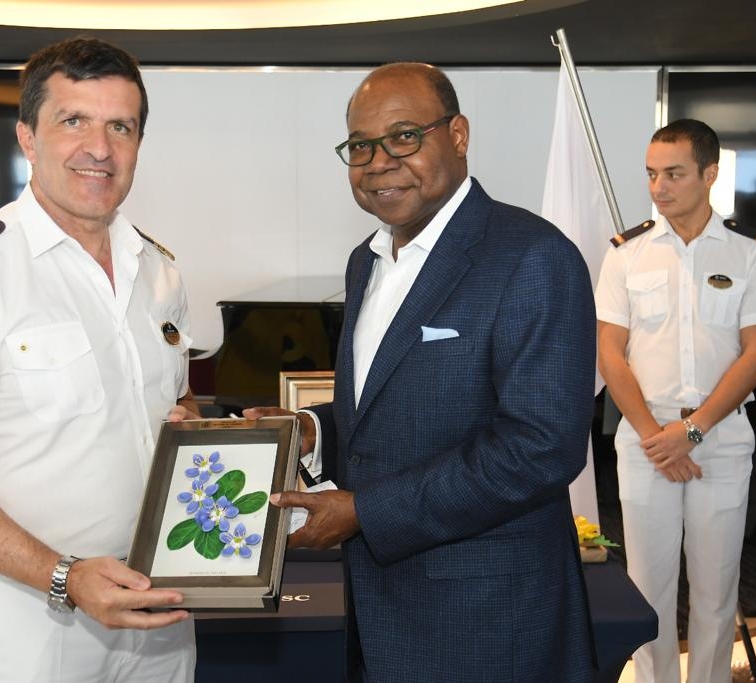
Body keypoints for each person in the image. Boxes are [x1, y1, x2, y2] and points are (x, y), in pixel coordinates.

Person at [249, 62, 597, 682]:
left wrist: (365, 512)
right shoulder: (368, 261)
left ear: (457, 135)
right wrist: (311, 430)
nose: (379, 161)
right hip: (383, 610)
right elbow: (386, 407)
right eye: (360, 145)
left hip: (487, 619)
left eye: (404, 136)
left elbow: (539, 447)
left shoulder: (534, 256)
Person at [0, 37, 198, 682]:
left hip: (158, 612)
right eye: (74, 122)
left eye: (120, 126)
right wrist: (67, 578)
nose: (100, 148)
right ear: (28, 138)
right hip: (31, 626)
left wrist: (191, 431)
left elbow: (166, 412)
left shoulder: (161, 271)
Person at [595, 119, 756, 683]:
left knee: (715, 586)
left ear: (709, 174)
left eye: (674, 174)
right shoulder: (625, 255)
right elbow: (611, 354)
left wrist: (693, 431)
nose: (659, 187)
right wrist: (660, 438)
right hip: (645, 441)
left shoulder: (750, 255)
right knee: (648, 586)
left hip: (720, 444)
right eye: (652, 174)